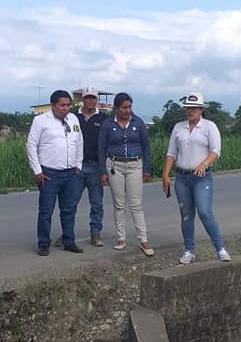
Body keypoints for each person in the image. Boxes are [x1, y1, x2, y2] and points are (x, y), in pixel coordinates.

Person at [162, 92, 231, 265]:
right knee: (186, 215)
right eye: (188, 108)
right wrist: (166, 174)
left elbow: (215, 151)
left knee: (204, 211)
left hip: (201, 177)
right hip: (182, 177)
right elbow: (171, 153)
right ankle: (189, 250)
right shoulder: (179, 127)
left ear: (201, 109)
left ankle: (220, 248)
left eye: (194, 108)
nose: (190, 111)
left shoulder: (209, 127)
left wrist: (204, 164)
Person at [26, 90, 84, 256]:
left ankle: (69, 241)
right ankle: (43, 243)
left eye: (68, 105)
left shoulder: (73, 119)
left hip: (70, 173)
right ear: (53, 105)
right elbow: (31, 145)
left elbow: (79, 142)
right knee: (46, 210)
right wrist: (37, 171)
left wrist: (78, 165)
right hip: (49, 173)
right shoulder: (41, 120)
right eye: (62, 105)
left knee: (69, 209)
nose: (66, 108)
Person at [98, 92, 154, 255]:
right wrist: (102, 171)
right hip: (115, 165)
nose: (128, 110)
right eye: (124, 107)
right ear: (116, 108)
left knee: (136, 204)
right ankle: (121, 238)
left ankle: (143, 239)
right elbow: (101, 148)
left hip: (135, 165)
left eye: (129, 107)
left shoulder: (138, 122)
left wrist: (147, 169)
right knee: (119, 204)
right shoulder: (108, 125)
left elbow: (146, 147)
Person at [75, 88, 107, 246]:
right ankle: (67, 233)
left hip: (95, 167)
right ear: (83, 99)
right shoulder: (73, 117)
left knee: (96, 204)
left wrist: (104, 170)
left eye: (93, 98)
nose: (90, 101)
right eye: (87, 98)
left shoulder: (104, 119)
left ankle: (96, 234)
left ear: (96, 99)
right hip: (77, 167)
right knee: (70, 203)